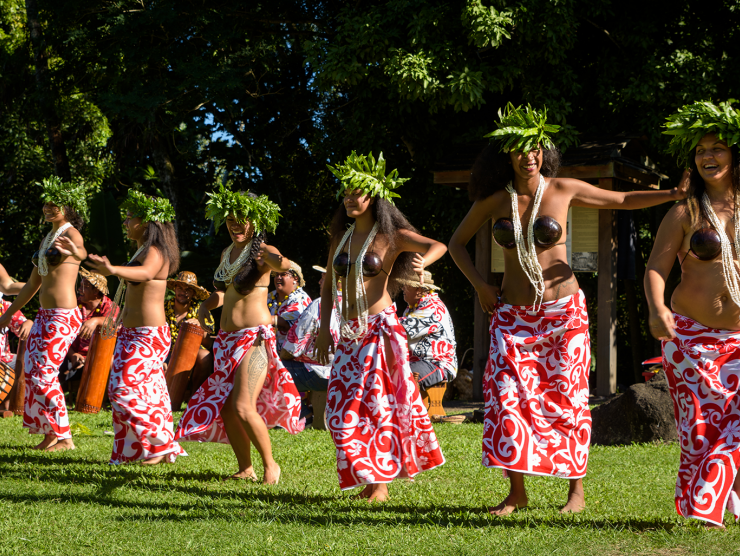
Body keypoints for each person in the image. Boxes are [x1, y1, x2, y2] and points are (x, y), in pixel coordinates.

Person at [448, 103, 688, 515]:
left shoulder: (563, 189)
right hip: (512, 316)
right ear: (506, 154)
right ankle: (517, 492)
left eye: (537, 148)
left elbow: (623, 198)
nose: (530, 156)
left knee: (569, 399)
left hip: (563, 314)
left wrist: (673, 195)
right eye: (521, 149)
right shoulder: (493, 200)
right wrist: (482, 286)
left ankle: (575, 493)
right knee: (506, 399)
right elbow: (455, 244)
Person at [316, 151, 447, 502]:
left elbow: (437, 245)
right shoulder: (339, 239)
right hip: (349, 332)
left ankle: (379, 485)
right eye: (345, 193)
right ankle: (371, 476)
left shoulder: (391, 236)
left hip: (380, 330)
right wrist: (321, 328)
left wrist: (423, 262)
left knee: (377, 403)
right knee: (340, 408)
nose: (348, 199)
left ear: (373, 196)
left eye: (356, 192)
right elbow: (328, 285)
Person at [646, 100, 740, 528]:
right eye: (701, 150)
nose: (708, 156)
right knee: (704, 426)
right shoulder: (685, 212)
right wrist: (656, 310)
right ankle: (716, 503)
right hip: (691, 338)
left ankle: (720, 498)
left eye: (718, 147)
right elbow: (655, 269)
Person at [175, 185, 303, 484]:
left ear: (255, 220)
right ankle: (246, 468)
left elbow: (283, 264)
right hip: (227, 340)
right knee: (229, 409)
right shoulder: (227, 253)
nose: (235, 224)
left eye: (241, 217)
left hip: (254, 339)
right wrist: (206, 306)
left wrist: (274, 259)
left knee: (243, 406)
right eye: (230, 218)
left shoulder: (262, 252)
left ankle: (271, 465)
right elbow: (224, 293)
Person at [87, 190, 186, 465]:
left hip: (148, 335)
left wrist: (113, 270)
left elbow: (144, 274)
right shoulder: (142, 249)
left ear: (148, 221)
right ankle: (136, 451)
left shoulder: (156, 251)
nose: (125, 222)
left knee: (123, 390)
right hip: (130, 333)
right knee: (146, 392)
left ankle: (160, 445)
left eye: (130, 218)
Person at [0, 177, 88, 451]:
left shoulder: (71, 234)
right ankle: (50, 434)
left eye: (55, 204)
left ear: (68, 207)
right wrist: (8, 314)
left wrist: (77, 251)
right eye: (46, 204)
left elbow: (82, 250)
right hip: (44, 315)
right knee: (32, 370)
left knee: (44, 372)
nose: (49, 209)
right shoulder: (46, 238)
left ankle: (65, 438)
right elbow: (31, 284)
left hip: (63, 315)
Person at [281, 265, 341, 426]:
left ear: (337, 282)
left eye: (324, 278)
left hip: (321, 373)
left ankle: (303, 414)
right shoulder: (359, 305)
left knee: (270, 369)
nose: (320, 282)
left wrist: (279, 359)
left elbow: (292, 348)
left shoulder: (320, 305)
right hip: (347, 373)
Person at [398, 270, 457, 393]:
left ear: (418, 289)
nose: (402, 287)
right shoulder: (413, 307)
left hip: (437, 364)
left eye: (406, 284)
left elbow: (400, 329)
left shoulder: (432, 307)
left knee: (405, 377)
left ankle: (413, 412)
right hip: (420, 362)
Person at [61, 268, 116, 392]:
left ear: (96, 291)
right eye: (80, 285)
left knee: (112, 360)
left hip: (98, 358)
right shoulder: (73, 304)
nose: (79, 289)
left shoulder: (109, 306)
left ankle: (106, 400)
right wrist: (72, 354)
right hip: (71, 356)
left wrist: (96, 321)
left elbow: (115, 322)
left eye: (84, 286)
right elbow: (62, 332)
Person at [164, 271, 214, 395]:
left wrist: (200, 327)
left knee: (205, 356)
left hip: (192, 352)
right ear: (175, 289)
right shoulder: (162, 307)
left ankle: (195, 396)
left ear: (194, 293)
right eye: (180, 287)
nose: (183, 291)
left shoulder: (202, 311)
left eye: (188, 289)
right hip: (165, 350)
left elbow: (208, 344)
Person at [268, 263, 311, 351]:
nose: (278, 277)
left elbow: (286, 323)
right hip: (270, 354)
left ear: (295, 279)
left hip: (291, 357)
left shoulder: (300, 298)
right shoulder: (270, 296)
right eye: (276, 275)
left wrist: (258, 319)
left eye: (283, 274)